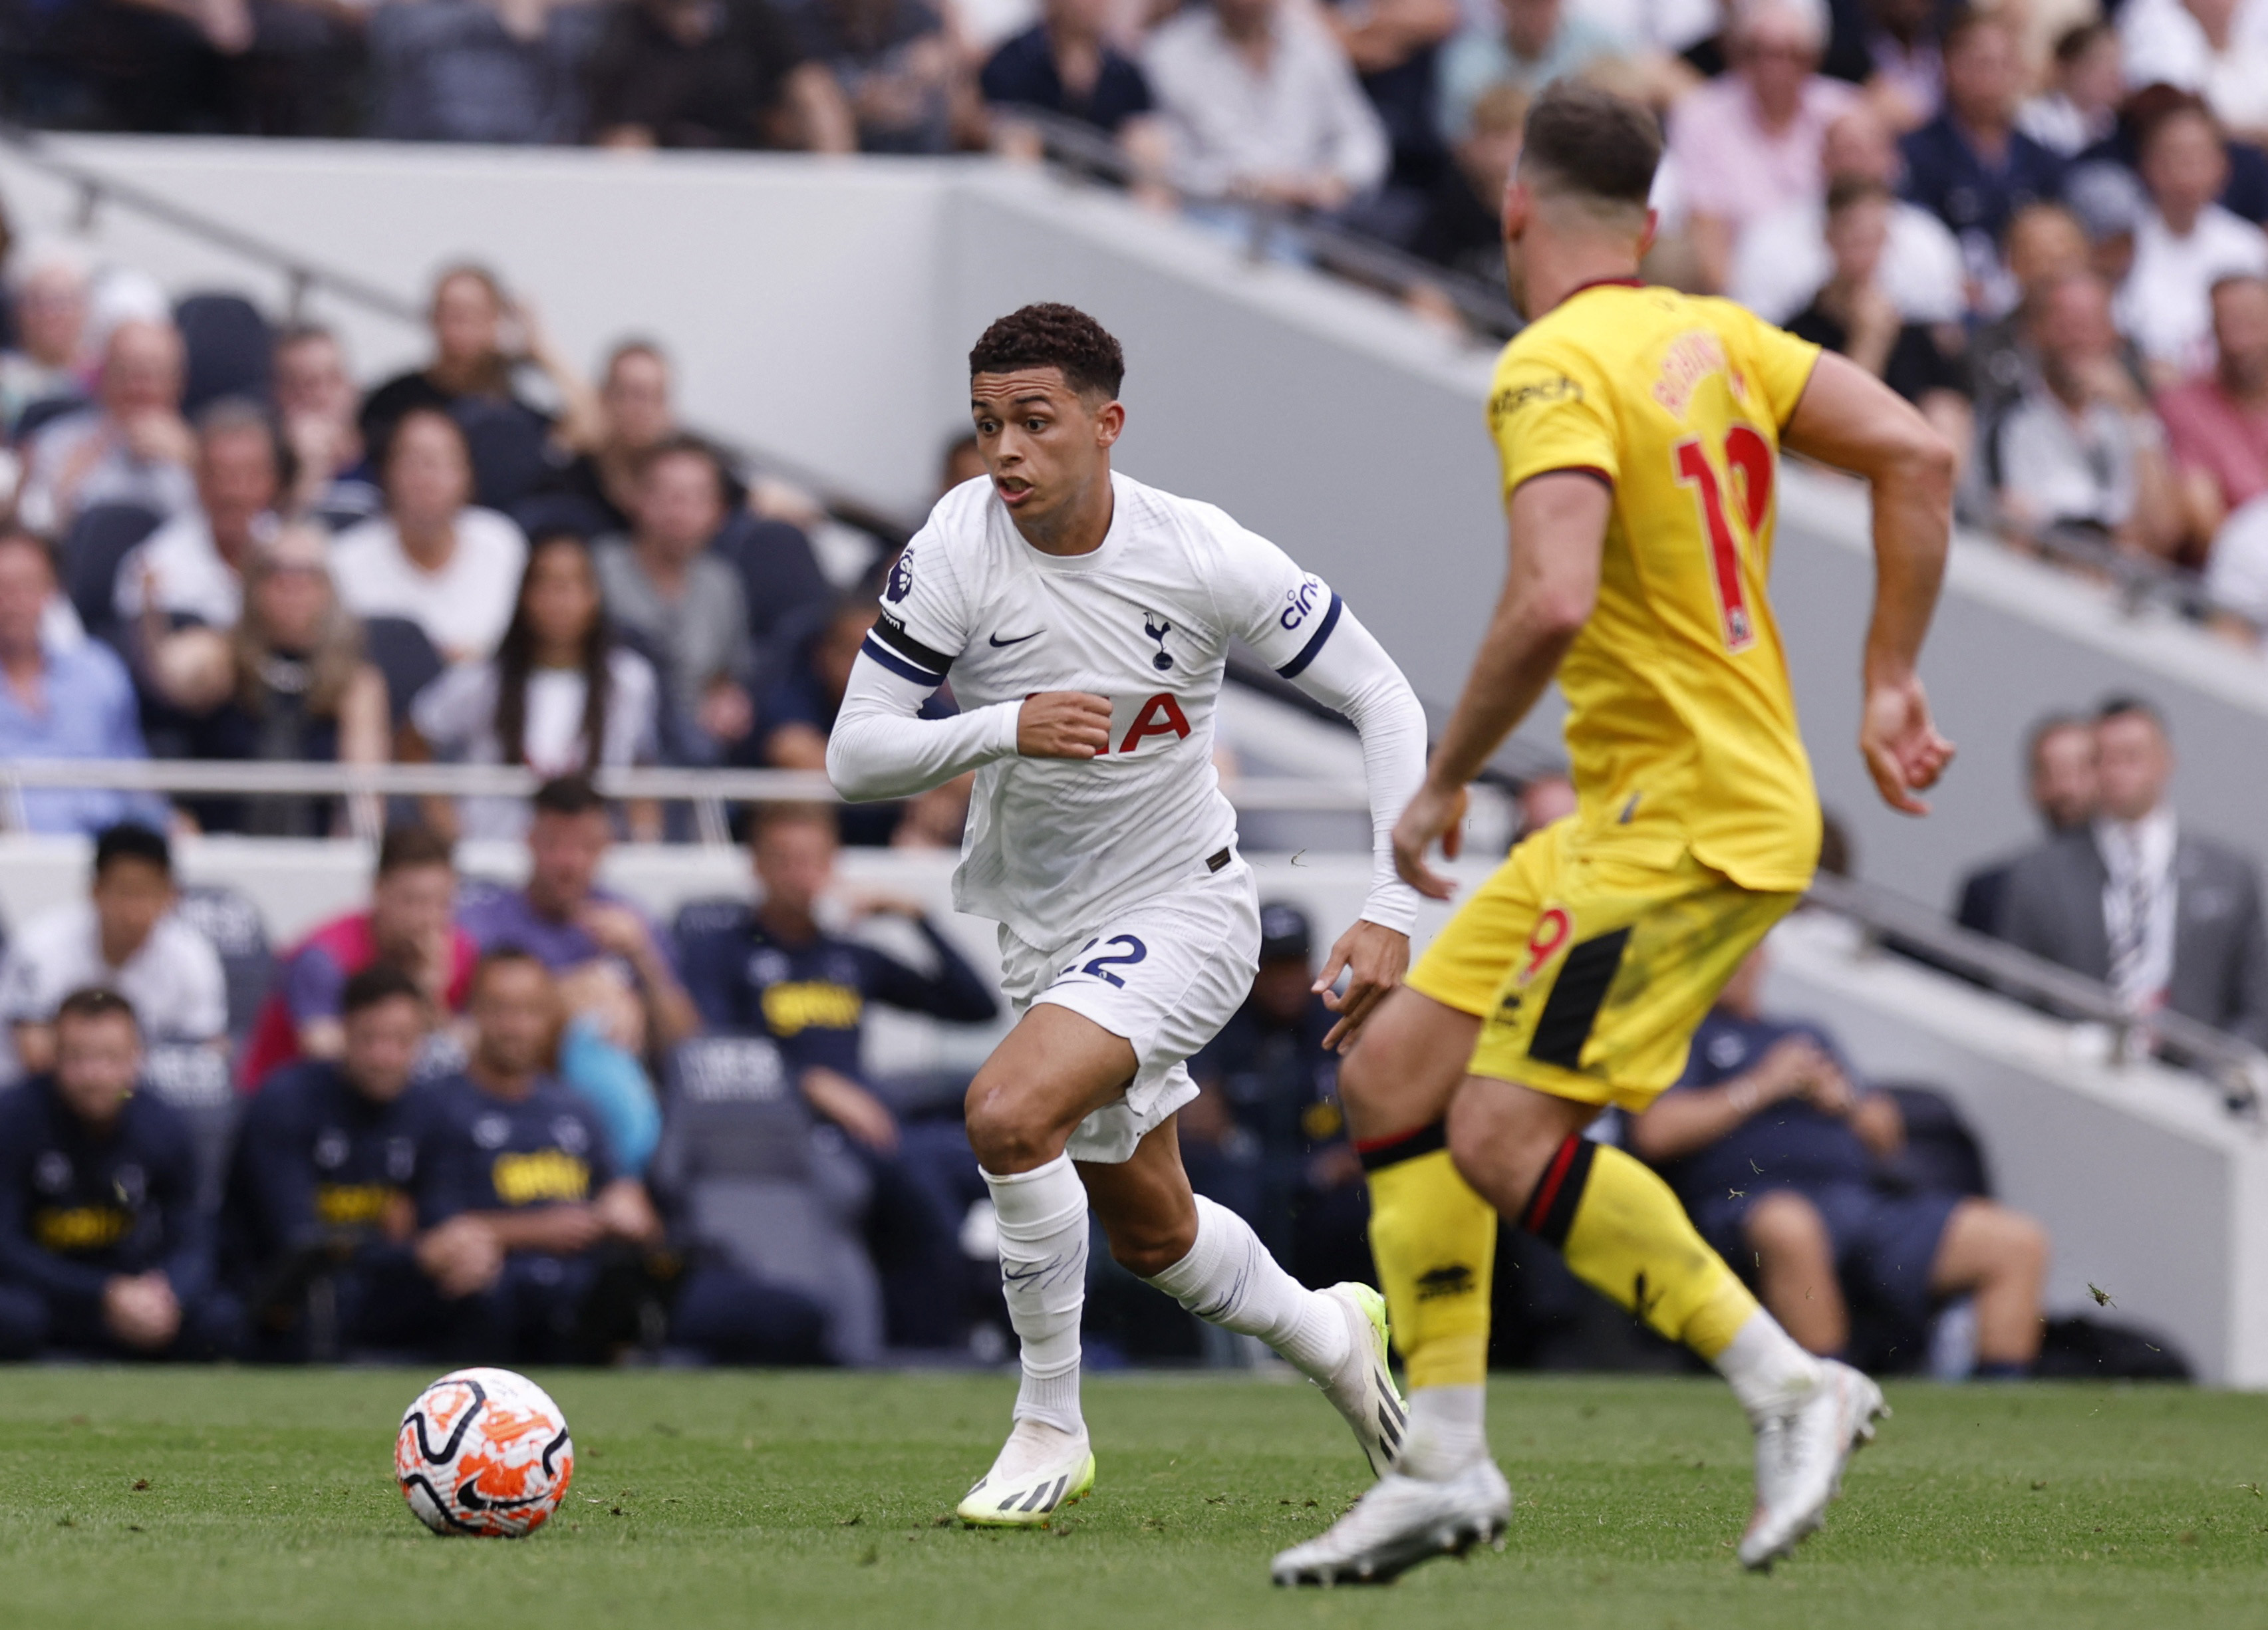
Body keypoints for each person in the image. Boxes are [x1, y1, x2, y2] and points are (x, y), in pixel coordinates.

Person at [1274, 80, 1957, 1584]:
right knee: (1396, 1069)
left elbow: (1552, 597)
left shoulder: (1548, 365)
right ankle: (1441, 1462)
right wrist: (1890, 673)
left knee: (1507, 1139)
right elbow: (1917, 451)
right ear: (1647, 224)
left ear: (1516, 208)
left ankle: (1795, 1385)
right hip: (1647, 808)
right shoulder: (1713, 334)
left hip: (1687, 821)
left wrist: (1443, 773)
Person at [827, 302, 1429, 1524]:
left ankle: (1049, 1422)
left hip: (1187, 906)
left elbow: (1382, 692)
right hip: (1044, 929)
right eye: (990, 422)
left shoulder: (1199, 553)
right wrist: (1001, 724)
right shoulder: (954, 546)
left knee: (1005, 1111)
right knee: (1155, 1236)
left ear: (1106, 426)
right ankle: (1332, 1330)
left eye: (1035, 423)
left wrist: (1393, 901)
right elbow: (856, 754)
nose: (1005, 451)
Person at [1628, 944, 2050, 1373]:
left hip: (1858, 1203)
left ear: (1763, 958)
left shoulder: (1804, 1033)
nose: (1736, 962)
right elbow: (1654, 1133)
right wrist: (1761, 1085)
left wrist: (1842, 1099)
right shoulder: (1682, 1036)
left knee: (2016, 1240)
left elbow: (1888, 1135)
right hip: (1748, 1205)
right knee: (1789, 1225)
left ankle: (2001, 1402)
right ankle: (1834, 1394)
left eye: (1747, 951)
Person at [678, 801, 999, 1345]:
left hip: (877, 1128)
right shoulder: (725, 950)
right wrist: (809, 1082)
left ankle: (1023, 1327)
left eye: (813, 860)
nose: (800, 875)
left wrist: (916, 917)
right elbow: (710, 1046)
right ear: (756, 867)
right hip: (788, 1134)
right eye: (784, 860)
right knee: (917, 1185)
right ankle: (939, 1344)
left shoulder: (848, 955)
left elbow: (975, 1008)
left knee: (1008, 1163)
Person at [415, 949, 665, 1365]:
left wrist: (629, 1213)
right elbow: (433, 1230)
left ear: (551, 1017)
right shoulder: (437, 1106)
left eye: (530, 1011)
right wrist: (534, 1231)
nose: (515, 1027)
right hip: (495, 1286)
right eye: (500, 1010)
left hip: (585, 1282)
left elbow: (628, 1203)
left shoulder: (575, 1107)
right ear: (473, 1012)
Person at [1997, 698, 2268, 1045]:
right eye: (2102, 760)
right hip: (2073, 1065)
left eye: (2132, 756)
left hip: (2193, 1074)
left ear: (2165, 760)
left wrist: (2224, 1072)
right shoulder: (2039, 873)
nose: (2117, 772)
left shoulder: (2228, 875)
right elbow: (2012, 991)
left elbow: (2255, 1001)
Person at [225, 964, 453, 1357]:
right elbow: (299, 1240)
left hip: (383, 1283)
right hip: (278, 1291)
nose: (384, 1056)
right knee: (320, 1297)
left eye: (401, 1040)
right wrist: (411, 1251)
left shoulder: (430, 1110)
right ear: (343, 1032)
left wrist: (454, 1246)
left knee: (473, 1283)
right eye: (370, 1039)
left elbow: (441, 1219)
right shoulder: (285, 1102)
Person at [0, 988, 240, 1359]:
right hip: (49, 1296)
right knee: (15, 1318)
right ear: (53, 1057)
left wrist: (167, 1292)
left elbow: (194, 1237)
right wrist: (102, 1293)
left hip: (139, 1299)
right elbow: (7, 1247)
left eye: (109, 1058)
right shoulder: (14, 1119)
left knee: (221, 1321)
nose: (93, 1075)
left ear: (136, 1058)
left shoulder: (164, 1125)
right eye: (77, 1058)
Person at [411, 530, 662, 841]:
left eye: (574, 585)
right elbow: (414, 739)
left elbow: (641, 772)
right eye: (547, 584)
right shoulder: (482, 679)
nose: (560, 598)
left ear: (595, 596)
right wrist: (444, 821)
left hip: (593, 858)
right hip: (494, 852)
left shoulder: (629, 681)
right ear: (524, 596)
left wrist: (645, 844)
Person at [152, 525, 392, 837]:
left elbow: (364, 798)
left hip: (317, 853)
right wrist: (150, 615)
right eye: (276, 573)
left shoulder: (355, 683)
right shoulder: (222, 656)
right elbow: (171, 674)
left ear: (328, 590)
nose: (291, 587)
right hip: (219, 844)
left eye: (307, 576)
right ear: (253, 585)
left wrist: (347, 863)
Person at [1185, 902, 1370, 1290]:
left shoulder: (1342, 1013)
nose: (1285, 980)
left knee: (1359, 1212)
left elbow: (1382, 1106)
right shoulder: (1220, 1019)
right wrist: (1304, 1173)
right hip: (1252, 1182)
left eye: (1293, 965)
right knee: (1227, 1201)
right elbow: (1203, 1126)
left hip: (1329, 1191)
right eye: (1272, 967)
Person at [456, 774, 700, 1058]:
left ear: (606, 847)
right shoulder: (480, 922)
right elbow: (459, 1034)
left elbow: (687, 1043)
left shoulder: (632, 922)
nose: (569, 862)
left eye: (586, 846)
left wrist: (644, 960)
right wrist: (567, 998)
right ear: (529, 841)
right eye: (555, 845)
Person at [239, 823, 478, 1090]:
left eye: (442, 903)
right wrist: (418, 1004)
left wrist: (434, 1002)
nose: (427, 919)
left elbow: (473, 1046)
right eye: (412, 901)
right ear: (377, 890)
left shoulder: (458, 952)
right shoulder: (325, 956)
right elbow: (325, 1051)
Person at [0, 822, 227, 1086]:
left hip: (138, 1099)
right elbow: (35, 1055)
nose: (134, 913)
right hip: (44, 1099)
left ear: (171, 896)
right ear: (95, 891)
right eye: (124, 893)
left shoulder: (192, 956)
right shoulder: (41, 947)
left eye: (148, 894)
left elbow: (207, 1053)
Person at [1663, 0, 1860, 295]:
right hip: (1743, 283)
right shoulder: (1701, 116)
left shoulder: (1843, 111)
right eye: (1759, 54)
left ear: (1813, 59)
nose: (1774, 68)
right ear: (1738, 55)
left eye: (1790, 55)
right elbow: (1706, 230)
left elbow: (1861, 209)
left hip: (1832, 288)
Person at [1987, 270, 2184, 558]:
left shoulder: (2132, 419)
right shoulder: (2009, 415)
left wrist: (2135, 414)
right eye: (2065, 323)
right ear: (2035, 332)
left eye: (2091, 324)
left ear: (2113, 336)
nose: (2078, 337)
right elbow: (2016, 530)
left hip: (2124, 588)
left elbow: (2163, 533)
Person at [356, 265, 600, 487]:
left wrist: (541, 347)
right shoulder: (393, 401)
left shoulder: (516, 406)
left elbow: (592, 427)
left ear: (495, 321)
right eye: (447, 312)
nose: (456, 324)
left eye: (469, 313)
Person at [1143, 0, 1391, 217]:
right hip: (1206, 215)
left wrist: (1337, 179)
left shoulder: (1311, 47)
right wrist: (1246, 187)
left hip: (1302, 222)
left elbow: (1364, 138)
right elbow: (1166, 161)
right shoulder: (1170, 52)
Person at [1729, 104, 1967, 329]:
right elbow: (1754, 335)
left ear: (1893, 160)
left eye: (1868, 151)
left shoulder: (1928, 238)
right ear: (1822, 158)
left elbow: (1945, 334)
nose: (1856, 164)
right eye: (1846, 151)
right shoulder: (1770, 237)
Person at [593, 436, 756, 762]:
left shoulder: (722, 585)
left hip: (694, 755)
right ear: (635, 498)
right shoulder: (596, 570)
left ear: (719, 512)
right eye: (666, 494)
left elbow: (727, 674)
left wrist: (729, 700)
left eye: (697, 497)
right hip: (608, 745)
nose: (679, 510)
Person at [1786, 178, 1973, 458]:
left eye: (1875, 238)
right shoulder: (1795, 337)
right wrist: (1869, 340)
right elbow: (1828, 435)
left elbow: (1950, 434)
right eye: (1855, 238)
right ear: (1829, 237)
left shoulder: (1918, 337)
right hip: (1825, 485)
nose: (1865, 252)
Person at [0, 531, 171, 837]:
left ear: (53, 591)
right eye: (3, 588)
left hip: (104, 859)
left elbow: (133, 773)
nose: (12, 603)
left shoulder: (98, 672)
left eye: (26, 587)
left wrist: (167, 823)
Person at [331, 406, 531, 666]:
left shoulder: (503, 545)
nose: (426, 478)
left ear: (468, 476)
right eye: (413, 461)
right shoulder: (344, 560)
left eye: (440, 462)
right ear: (386, 472)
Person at [1898, 9, 2065, 303]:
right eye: (1980, 63)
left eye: (2003, 63)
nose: (1991, 75)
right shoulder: (1915, 152)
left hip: (2029, 305)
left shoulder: (2043, 158)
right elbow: (1912, 238)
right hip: (1946, 300)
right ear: (1948, 67)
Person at [2115, 98, 2268, 385]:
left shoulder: (2250, 247)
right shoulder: (2121, 249)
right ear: (2147, 165)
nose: (2187, 169)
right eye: (2175, 156)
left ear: (2222, 166)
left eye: (2199, 156)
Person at [114, 397, 285, 637]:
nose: (233, 492)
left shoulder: (300, 558)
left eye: (249, 475)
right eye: (219, 474)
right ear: (197, 479)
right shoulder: (154, 565)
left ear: (273, 482)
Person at [589, 0, 855, 150]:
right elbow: (624, 132)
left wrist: (836, 189)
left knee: (816, 94)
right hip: (669, 172)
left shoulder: (751, 15)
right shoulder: (626, 30)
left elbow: (810, 85)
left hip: (754, 159)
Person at [15, 317, 196, 539]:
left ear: (179, 382)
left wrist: (194, 464)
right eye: (125, 372)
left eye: (152, 374)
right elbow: (28, 536)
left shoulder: (206, 453)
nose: (138, 387)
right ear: (104, 376)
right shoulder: (57, 443)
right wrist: (64, 488)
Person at [1953, 712, 2098, 933]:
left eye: (2080, 770)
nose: (2066, 788)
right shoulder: (1992, 893)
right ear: (2032, 787)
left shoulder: (2148, 894)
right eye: (2050, 773)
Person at [2158, 274, 2268, 546]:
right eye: (2228, 322)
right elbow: (2206, 523)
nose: (2240, 340)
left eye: (2253, 321)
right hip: (2236, 570)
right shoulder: (2183, 405)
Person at [1435, 0, 1619, 144]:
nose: (1537, 15)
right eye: (1526, 4)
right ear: (1503, 4)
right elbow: (1463, 140)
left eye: (1546, 4)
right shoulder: (1467, 57)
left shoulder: (1599, 41)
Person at [796, 0, 966, 154]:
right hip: (848, 160)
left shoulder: (918, 18)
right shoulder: (804, 24)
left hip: (923, 157)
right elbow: (784, 120)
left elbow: (960, 103)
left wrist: (914, 83)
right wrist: (857, 107)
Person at [273, 325, 380, 529]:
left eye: (333, 380)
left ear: (353, 388)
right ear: (279, 394)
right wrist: (310, 470)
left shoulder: (384, 457)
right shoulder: (266, 469)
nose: (321, 396)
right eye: (305, 384)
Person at [0, 241, 92, 436]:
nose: (50, 314)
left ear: (85, 308)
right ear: (18, 312)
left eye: (62, 302)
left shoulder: (104, 378)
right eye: (37, 303)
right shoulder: (4, 374)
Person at [2017, 21, 2122, 159]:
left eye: (2116, 63)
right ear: (2070, 68)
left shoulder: (2113, 126)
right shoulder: (2033, 121)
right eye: (2102, 62)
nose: (2112, 75)